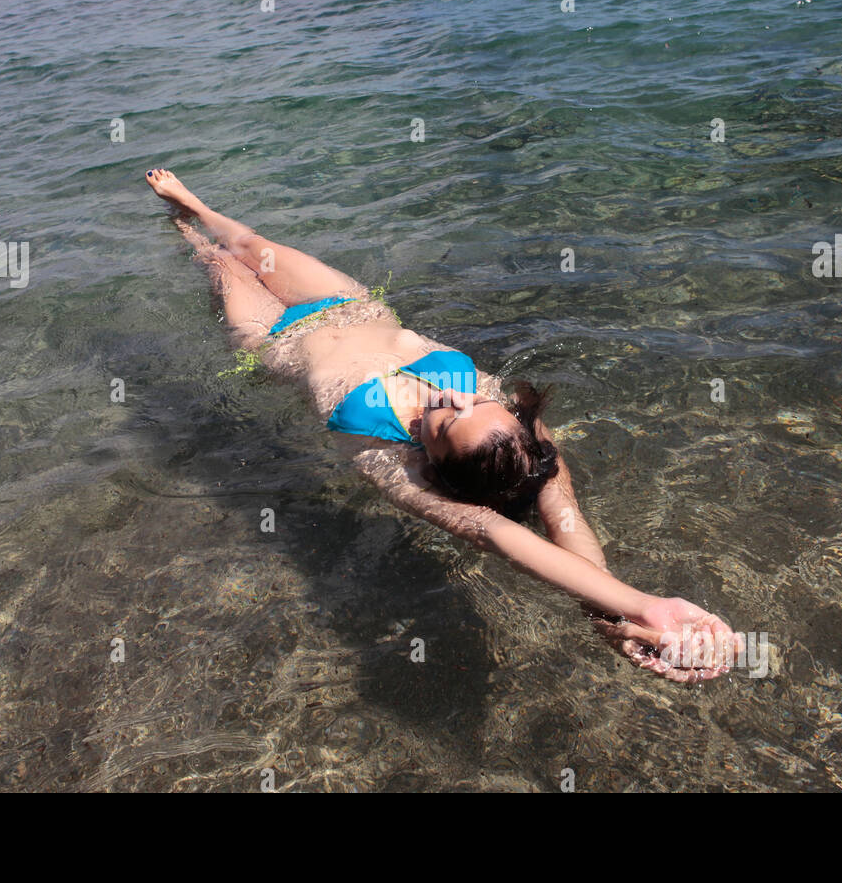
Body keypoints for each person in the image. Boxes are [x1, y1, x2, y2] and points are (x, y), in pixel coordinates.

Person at [146, 168, 739, 682]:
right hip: (348, 303)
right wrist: (629, 604)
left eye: (443, 421)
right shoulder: (520, 437)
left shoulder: (390, 459)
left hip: (274, 338)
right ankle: (193, 205)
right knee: (248, 242)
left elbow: (490, 532)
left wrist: (624, 613)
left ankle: (184, 232)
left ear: (428, 457)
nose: (452, 397)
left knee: (217, 261)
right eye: (476, 402)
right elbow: (564, 517)